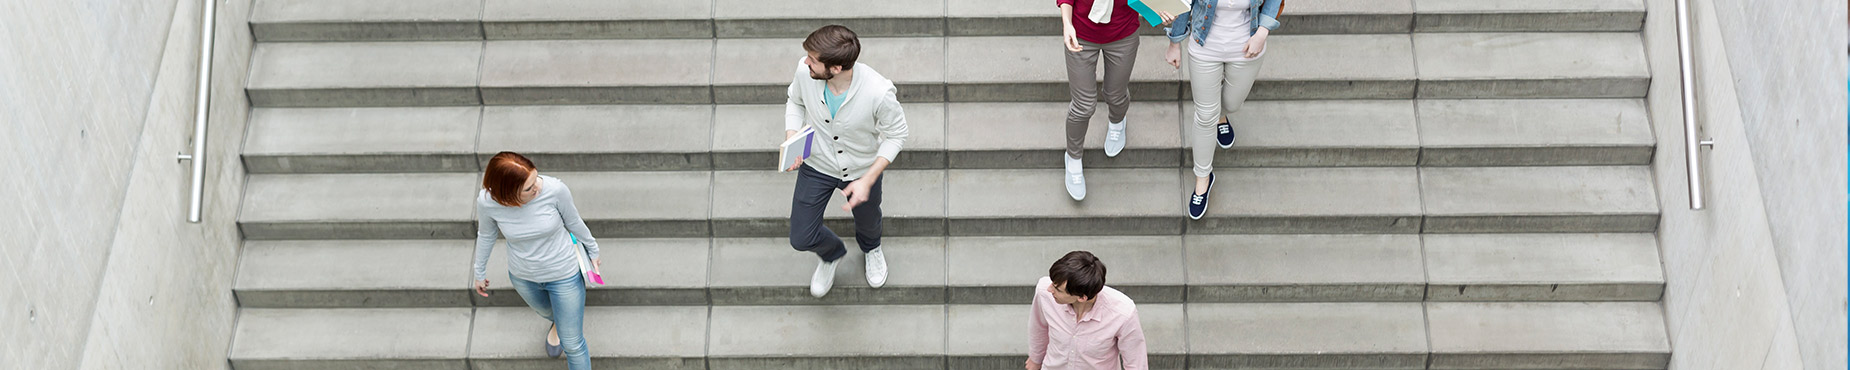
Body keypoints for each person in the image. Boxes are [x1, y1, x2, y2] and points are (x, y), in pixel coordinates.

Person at [783, 25, 910, 298]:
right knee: (801, 237)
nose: (806, 62)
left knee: (868, 222)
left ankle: (871, 249)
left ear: (836, 68)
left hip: (862, 169)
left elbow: (897, 135)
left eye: (813, 60)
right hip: (816, 164)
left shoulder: (879, 91)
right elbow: (795, 101)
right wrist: (793, 136)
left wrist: (869, 178)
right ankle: (831, 255)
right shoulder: (804, 71)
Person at [471, 152, 600, 369]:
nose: (537, 187)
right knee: (546, 311)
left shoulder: (554, 190)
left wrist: (593, 250)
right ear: (507, 193)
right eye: (529, 188)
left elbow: (574, 222)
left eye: (536, 179)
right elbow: (486, 235)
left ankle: (563, 326)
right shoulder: (487, 202)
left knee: (573, 344)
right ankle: (558, 323)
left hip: (564, 274)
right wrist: (479, 271)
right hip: (524, 276)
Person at [1164, 0, 1282, 219]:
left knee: (1232, 104)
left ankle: (1222, 117)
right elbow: (1183, 3)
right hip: (1204, 47)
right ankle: (1203, 179)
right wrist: (1174, 42)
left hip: (1248, 46)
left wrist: (1263, 32)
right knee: (1205, 116)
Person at [1057, 0, 1152, 201]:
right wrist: (1067, 24)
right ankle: (1073, 158)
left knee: (1115, 94)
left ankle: (1117, 122)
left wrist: (1166, 11)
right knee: (1083, 106)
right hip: (1081, 33)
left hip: (1123, 34)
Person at [1027, 251, 1148, 370]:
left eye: (1058, 289)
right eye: (1053, 283)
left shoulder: (1122, 312)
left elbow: (1136, 363)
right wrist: (1036, 358)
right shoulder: (1044, 292)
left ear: (1082, 297)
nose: (1049, 289)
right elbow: (1039, 327)